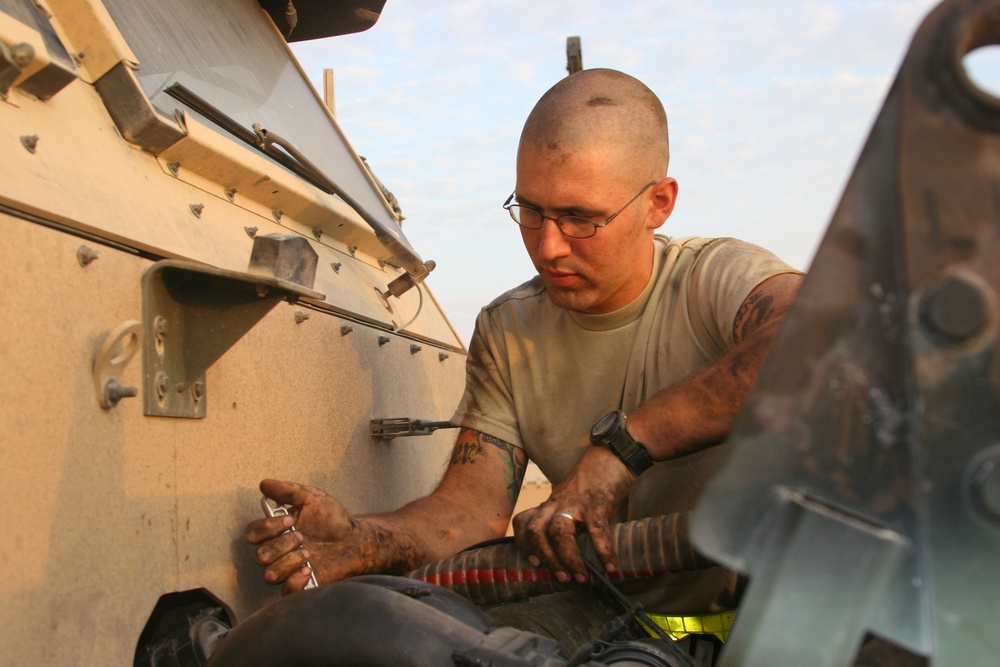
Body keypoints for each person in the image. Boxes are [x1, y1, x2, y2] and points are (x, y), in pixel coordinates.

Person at [245, 68, 803, 657]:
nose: (549, 246)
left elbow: (822, 342)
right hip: (614, 626)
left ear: (657, 203)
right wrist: (362, 541)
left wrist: (621, 449)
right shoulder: (509, 330)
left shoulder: (715, 281)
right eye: (531, 211)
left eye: (582, 218)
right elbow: (468, 512)